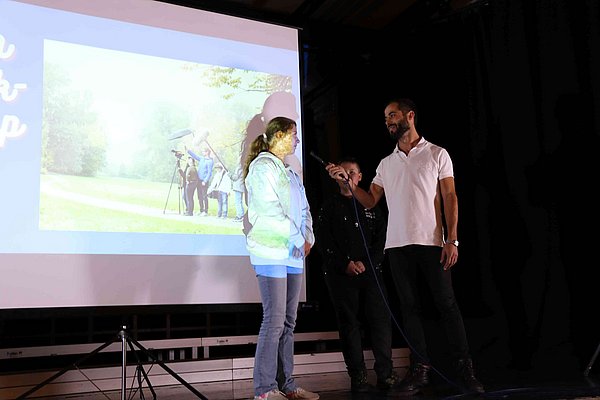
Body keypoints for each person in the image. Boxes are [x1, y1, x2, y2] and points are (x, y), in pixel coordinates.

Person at [326, 98, 484, 395]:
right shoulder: (386, 163)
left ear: (410, 116)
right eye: (386, 118)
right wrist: (348, 183)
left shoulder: (437, 154)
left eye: (393, 115)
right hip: (396, 247)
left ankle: (466, 369)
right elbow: (371, 200)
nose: (388, 121)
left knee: (446, 305)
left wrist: (453, 239)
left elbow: (450, 197)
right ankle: (419, 370)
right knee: (409, 309)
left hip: (431, 242)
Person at [244, 116, 318, 400]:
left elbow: (305, 209)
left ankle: (286, 384)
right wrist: (298, 238)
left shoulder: (290, 173)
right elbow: (270, 211)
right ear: (278, 136)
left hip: (293, 255)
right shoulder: (262, 168)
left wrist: (308, 237)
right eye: (293, 134)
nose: (297, 140)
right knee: (273, 321)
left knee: (288, 322)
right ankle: (264, 389)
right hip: (270, 251)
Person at [314, 157, 397, 393]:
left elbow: (382, 239)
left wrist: (367, 264)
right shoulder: (329, 205)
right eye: (344, 172)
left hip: (371, 272)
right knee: (349, 324)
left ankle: (385, 372)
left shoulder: (370, 207)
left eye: (353, 172)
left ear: (360, 177)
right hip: (341, 275)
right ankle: (358, 376)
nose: (348, 176)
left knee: (380, 321)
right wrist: (344, 264)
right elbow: (324, 240)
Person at [187, 146, 214, 216]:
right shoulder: (202, 159)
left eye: (203, 151)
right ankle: (201, 210)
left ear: (207, 152)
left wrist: (205, 181)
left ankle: (205, 211)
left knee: (204, 196)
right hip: (198, 180)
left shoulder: (210, 161)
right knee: (199, 196)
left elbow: (209, 173)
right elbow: (195, 156)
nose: (202, 152)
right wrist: (188, 151)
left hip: (204, 181)